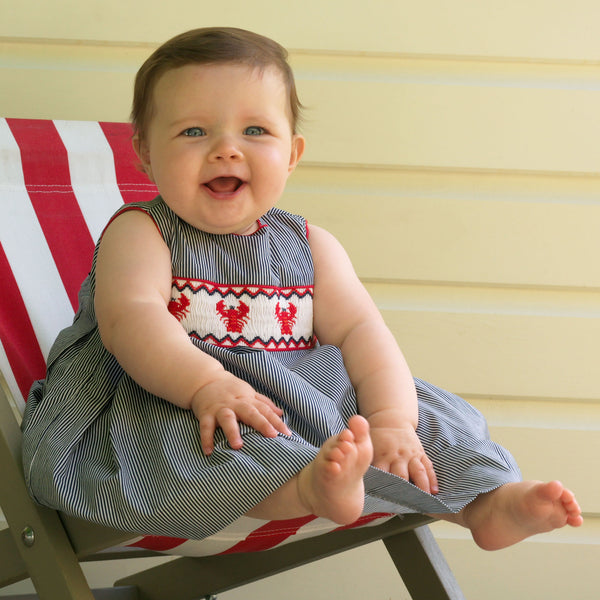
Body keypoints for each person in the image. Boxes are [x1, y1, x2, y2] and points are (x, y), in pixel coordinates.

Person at [22, 27, 582, 550]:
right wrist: (207, 384)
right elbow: (132, 320)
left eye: (256, 131)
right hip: (171, 395)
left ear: (291, 155)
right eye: (194, 131)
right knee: (215, 447)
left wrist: (391, 422)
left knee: (427, 420)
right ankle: (309, 490)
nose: (226, 148)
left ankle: (486, 504)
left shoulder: (310, 246)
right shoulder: (141, 233)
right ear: (144, 153)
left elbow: (364, 332)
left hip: (301, 397)